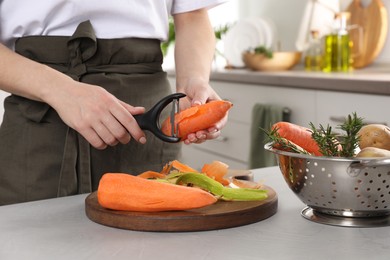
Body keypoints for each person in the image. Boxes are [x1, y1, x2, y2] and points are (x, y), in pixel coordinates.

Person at [0, 0, 229, 205]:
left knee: (150, 242)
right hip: (38, 118)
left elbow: (193, 13)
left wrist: (193, 80)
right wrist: (59, 90)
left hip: (147, 122)